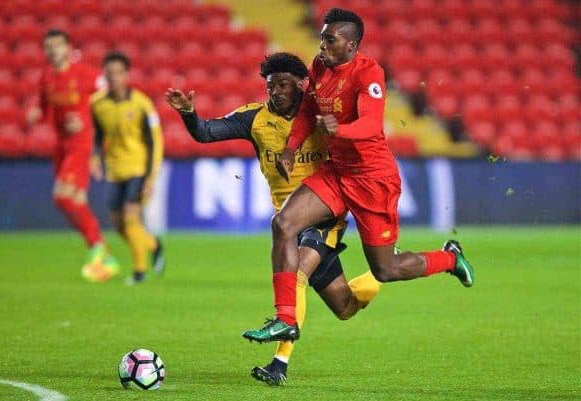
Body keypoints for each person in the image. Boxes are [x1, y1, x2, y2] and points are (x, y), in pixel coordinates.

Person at [243, 8, 475, 343]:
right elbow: (308, 111)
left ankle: (450, 258)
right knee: (283, 224)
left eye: (329, 39)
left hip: (372, 179)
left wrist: (341, 128)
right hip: (336, 173)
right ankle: (285, 319)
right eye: (322, 37)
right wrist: (292, 148)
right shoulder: (320, 66)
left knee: (386, 269)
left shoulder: (369, 73)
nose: (321, 44)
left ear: (351, 46)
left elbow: (370, 124)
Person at [165, 52, 381, 385]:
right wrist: (189, 115)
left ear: (301, 85)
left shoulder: (320, 115)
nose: (275, 92)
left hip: (326, 215)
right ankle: (384, 273)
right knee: (346, 306)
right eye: (270, 85)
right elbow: (206, 133)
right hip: (288, 222)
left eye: (283, 85)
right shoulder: (254, 118)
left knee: (295, 278)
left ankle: (279, 364)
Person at [26, 29, 118, 282]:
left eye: (57, 45)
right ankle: (104, 257)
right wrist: (35, 113)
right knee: (73, 199)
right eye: (48, 46)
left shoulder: (87, 75)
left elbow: (110, 101)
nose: (52, 50)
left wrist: (87, 120)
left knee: (62, 197)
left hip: (81, 143)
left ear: (68, 48)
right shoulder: (46, 77)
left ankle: (97, 246)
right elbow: (44, 108)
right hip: (60, 144)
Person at [90, 52, 165, 285]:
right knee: (120, 226)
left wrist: (151, 177)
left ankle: (139, 272)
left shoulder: (142, 104)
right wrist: (94, 158)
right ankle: (153, 244)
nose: (113, 77)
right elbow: (97, 135)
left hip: (138, 170)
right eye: (109, 73)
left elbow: (155, 141)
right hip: (114, 171)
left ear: (126, 75)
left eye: (118, 73)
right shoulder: (97, 104)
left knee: (131, 219)